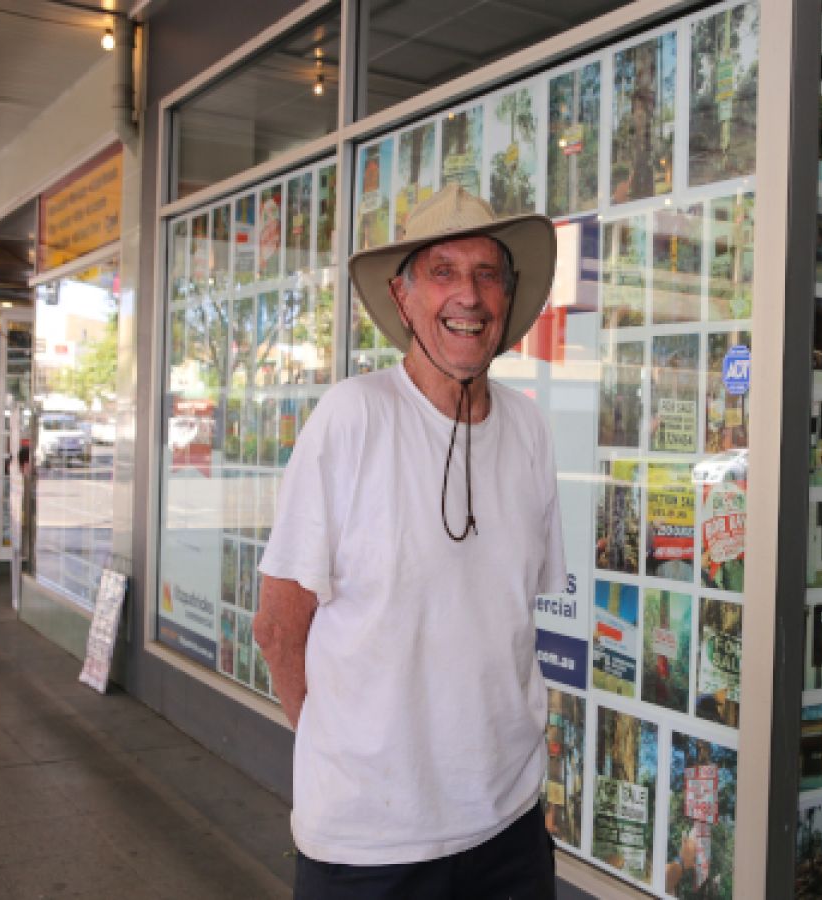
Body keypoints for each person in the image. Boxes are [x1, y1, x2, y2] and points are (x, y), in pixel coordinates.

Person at [253, 184, 566, 899]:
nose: (470, 296)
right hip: (371, 849)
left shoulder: (529, 429)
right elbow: (277, 628)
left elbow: (508, 624)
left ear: (508, 295)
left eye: (488, 273)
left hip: (510, 830)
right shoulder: (353, 417)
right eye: (444, 272)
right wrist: (351, 753)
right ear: (403, 298)